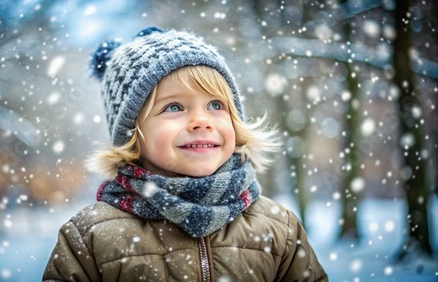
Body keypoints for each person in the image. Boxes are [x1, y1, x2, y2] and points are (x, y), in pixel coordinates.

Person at [42, 26, 328, 282]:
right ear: (132, 133)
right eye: (174, 107)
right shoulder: (92, 236)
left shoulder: (278, 227)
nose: (201, 121)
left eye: (216, 105)